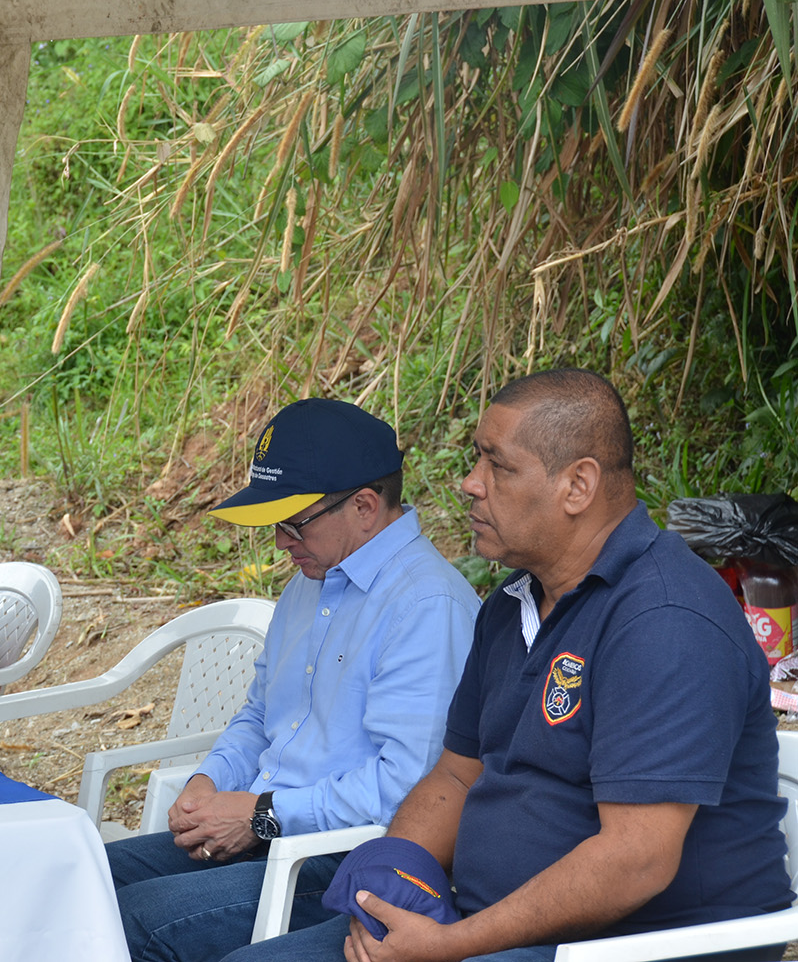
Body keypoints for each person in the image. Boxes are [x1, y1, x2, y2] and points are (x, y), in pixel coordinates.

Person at [223, 369, 793, 962]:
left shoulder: (664, 619)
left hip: (625, 947)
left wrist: (450, 944)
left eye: (497, 465)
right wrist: (389, 881)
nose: (470, 484)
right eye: (477, 459)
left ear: (577, 486)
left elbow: (636, 859)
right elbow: (456, 777)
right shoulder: (512, 603)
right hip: (487, 922)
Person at [106, 398, 480, 962]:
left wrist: (263, 813)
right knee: (89, 875)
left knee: (135, 921)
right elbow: (262, 713)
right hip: (264, 824)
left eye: (294, 523)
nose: (281, 542)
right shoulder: (309, 582)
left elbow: (407, 788)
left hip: (344, 855)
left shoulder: (428, 606)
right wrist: (209, 779)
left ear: (364, 506)